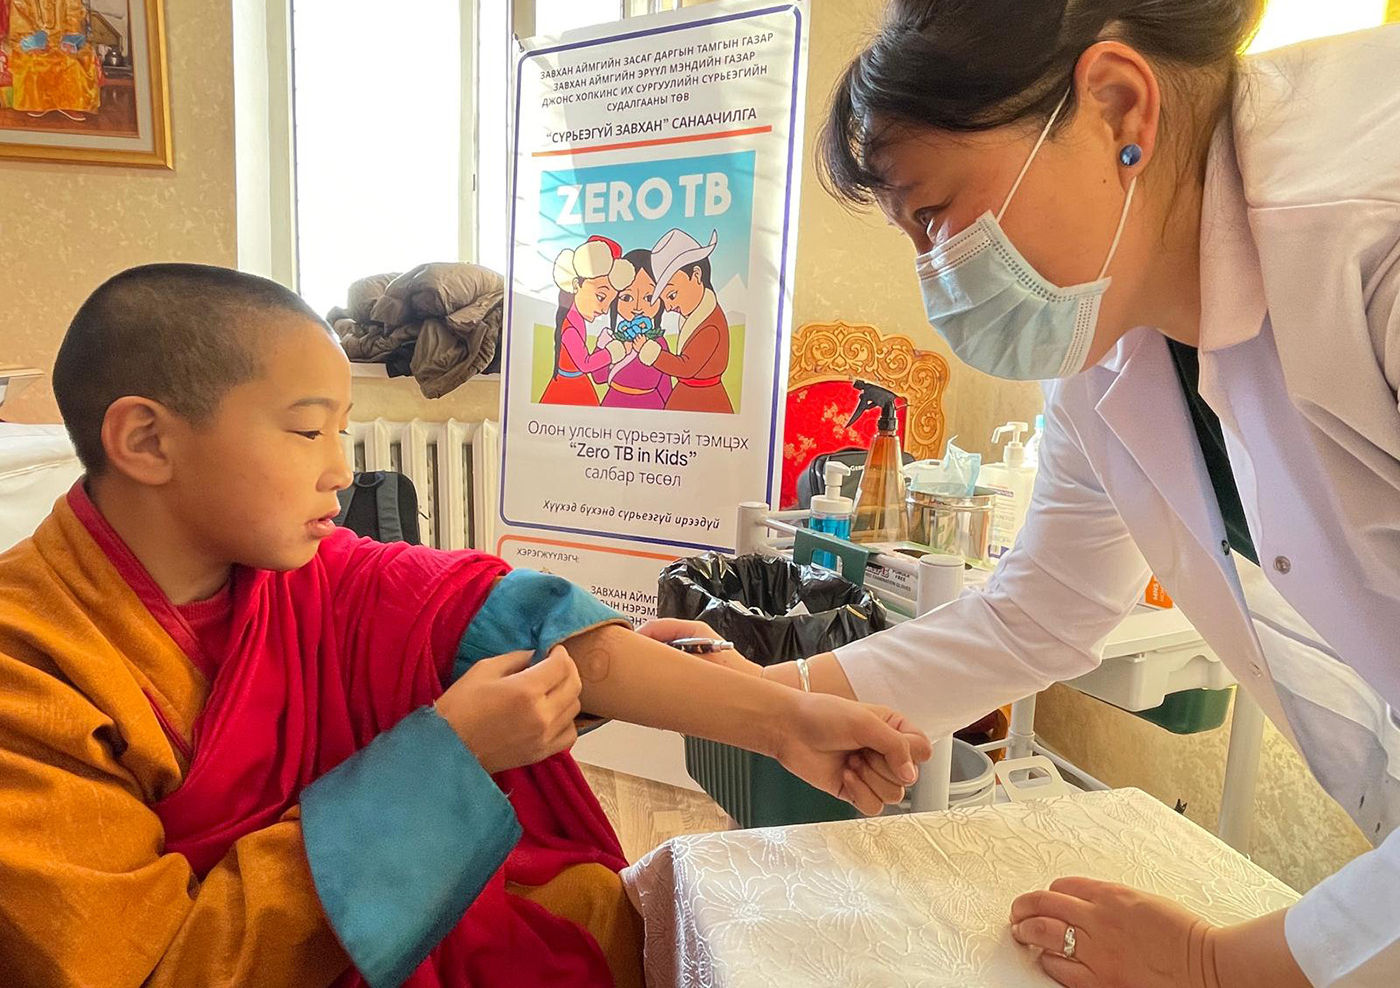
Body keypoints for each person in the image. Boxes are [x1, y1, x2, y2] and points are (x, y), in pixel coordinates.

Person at [660, 0, 1400, 985]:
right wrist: (774, 701)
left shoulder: (1371, 235)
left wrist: (1216, 966)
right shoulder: (1112, 345)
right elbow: (1039, 613)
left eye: (935, 214)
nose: (936, 274)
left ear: (1114, 108)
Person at [0, 264, 932, 988]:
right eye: (304, 430)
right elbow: (147, 966)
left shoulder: (307, 578)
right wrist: (443, 761)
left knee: (589, 915)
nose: (339, 469)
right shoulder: (29, 662)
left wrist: (787, 722)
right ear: (147, 440)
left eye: (344, 430)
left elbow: (526, 622)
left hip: (359, 925)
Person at [643, 228, 735, 414]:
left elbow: (686, 367)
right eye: (664, 300)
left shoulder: (710, 323)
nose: (668, 307)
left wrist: (652, 353)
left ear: (696, 275)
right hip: (686, 396)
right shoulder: (695, 317)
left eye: (672, 295)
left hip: (706, 400)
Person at [5, 0, 100, 120]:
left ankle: (71, 104)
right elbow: (20, 13)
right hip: (31, 37)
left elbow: (75, 12)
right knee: (35, 59)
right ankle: (40, 103)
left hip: (61, 37)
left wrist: (70, 39)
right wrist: (32, 41)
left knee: (77, 59)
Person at [540, 236, 632, 406]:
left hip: (579, 384)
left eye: (609, 302)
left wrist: (601, 345)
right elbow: (585, 363)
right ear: (576, 285)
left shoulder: (577, 320)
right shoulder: (570, 327)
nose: (604, 309)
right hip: (569, 388)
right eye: (600, 297)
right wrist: (612, 352)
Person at [595, 249, 673, 410]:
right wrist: (604, 347)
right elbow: (599, 377)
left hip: (652, 406)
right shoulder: (613, 339)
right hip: (613, 404)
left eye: (649, 297)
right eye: (627, 297)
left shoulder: (659, 342)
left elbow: (665, 386)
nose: (637, 307)